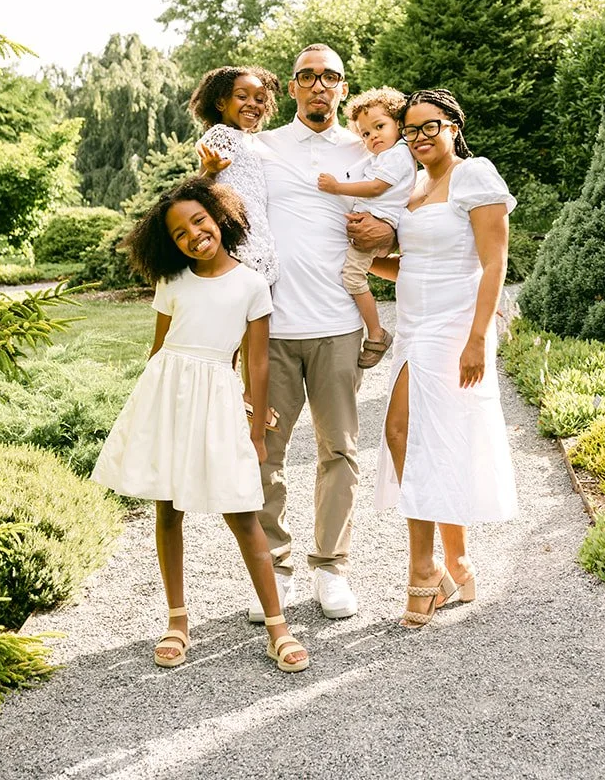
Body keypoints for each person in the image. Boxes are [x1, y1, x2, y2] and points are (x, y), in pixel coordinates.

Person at [89, 177, 308, 673]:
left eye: (199, 221)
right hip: (167, 395)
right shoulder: (172, 283)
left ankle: (278, 627)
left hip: (216, 397)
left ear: (219, 219)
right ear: (170, 243)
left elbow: (256, 364)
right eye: (179, 232)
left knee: (243, 511)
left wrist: (255, 430)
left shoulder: (251, 284)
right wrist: (143, 411)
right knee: (167, 509)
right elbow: (159, 348)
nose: (193, 234)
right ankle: (177, 619)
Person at [243, 44, 394, 621]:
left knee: (340, 450)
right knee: (265, 452)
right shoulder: (262, 147)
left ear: (342, 87)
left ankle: (331, 567)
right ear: (293, 86)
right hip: (271, 328)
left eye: (329, 76)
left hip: (336, 326)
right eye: (307, 76)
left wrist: (383, 232)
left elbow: (398, 216)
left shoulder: (367, 149)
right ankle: (274, 570)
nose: (318, 85)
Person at [371, 88, 518, 628]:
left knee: (403, 431)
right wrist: (360, 262)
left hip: (456, 324)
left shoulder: (474, 174)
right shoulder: (414, 184)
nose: (419, 138)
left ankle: (424, 567)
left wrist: (478, 337)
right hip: (412, 326)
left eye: (430, 126)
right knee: (432, 440)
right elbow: (410, 265)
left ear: (454, 126)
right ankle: (458, 562)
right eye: (410, 131)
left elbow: (494, 260)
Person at [316, 86, 415, 369]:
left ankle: (376, 333)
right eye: (366, 134)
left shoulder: (398, 154)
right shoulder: (384, 156)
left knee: (352, 278)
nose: (373, 137)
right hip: (372, 222)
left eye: (379, 127)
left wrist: (336, 187)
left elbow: (375, 187)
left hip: (379, 224)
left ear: (399, 124)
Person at [189, 66, 281, 284]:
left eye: (260, 99)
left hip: (257, 233)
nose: (252, 104)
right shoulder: (223, 135)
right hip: (237, 239)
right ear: (221, 103)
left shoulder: (249, 139)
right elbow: (196, 191)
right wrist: (211, 169)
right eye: (242, 96)